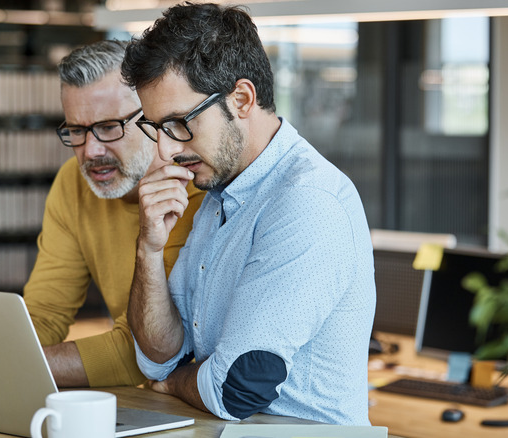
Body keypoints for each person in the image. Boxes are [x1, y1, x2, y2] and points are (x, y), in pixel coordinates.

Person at [122, 3, 375, 425]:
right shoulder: (219, 194)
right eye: (156, 129)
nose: (165, 151)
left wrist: (176, 384)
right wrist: (148, 249)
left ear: (241, 99)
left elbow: (236, 389)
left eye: (179, 124)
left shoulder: (307, 202)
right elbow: (159, 359)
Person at [23, 40, 204, 388]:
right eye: (77, 130)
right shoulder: (72, 184)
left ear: (151, 117)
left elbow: (145, 351)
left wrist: (16, 365)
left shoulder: (194, 190)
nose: (91, 151)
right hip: (144, 401)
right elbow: (43, 315)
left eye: (109, 127)